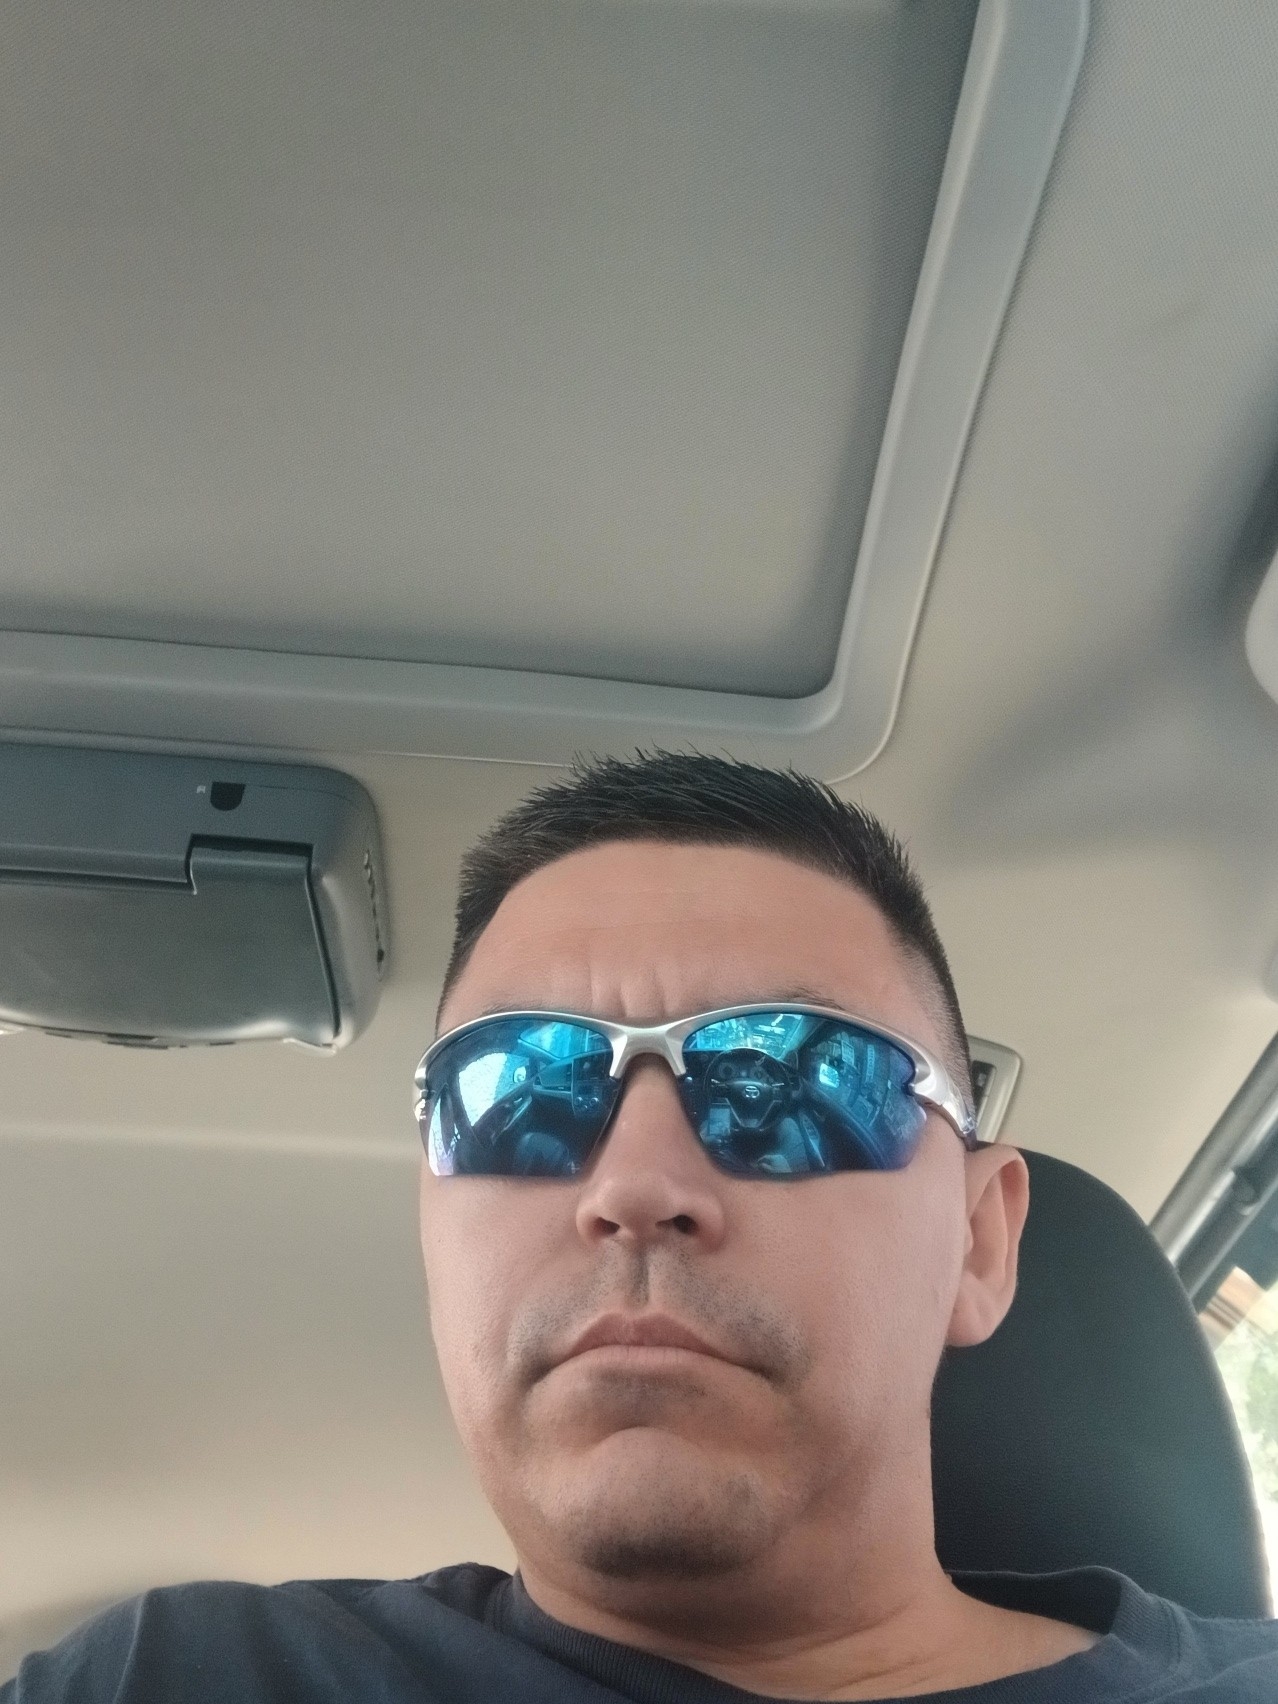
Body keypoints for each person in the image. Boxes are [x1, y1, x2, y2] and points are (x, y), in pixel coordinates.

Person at [8, 752, 1277, 1702]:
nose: (634, 1185)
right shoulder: (178, 1677)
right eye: (516, 1093)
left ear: (980, 1244)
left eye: (794, 1083)